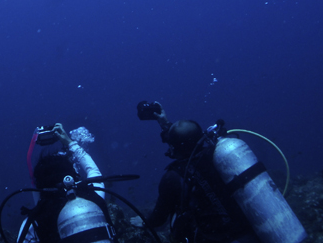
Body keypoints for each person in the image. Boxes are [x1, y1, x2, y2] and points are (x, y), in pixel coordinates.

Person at [135, 101, 256, 243]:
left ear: (173, 147)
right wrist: (165, 124)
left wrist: (143, 222)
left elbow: (159, 218)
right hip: (248, 231)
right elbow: (186, 142)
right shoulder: (218, 155)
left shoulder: (173, 178)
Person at [17, 123, 114, 243]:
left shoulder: (33, 222)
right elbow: (93, 171)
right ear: (72, 175)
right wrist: (69, 142)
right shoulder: (94, 196)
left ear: (40, 185)